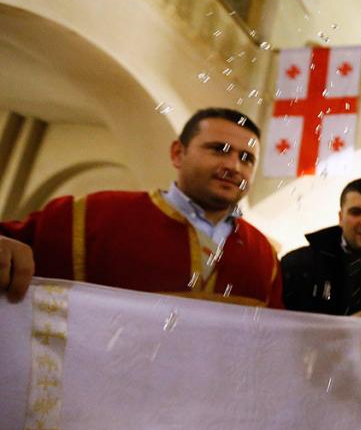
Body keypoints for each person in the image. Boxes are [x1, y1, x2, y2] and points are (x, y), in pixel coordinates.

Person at [0, 107, 283, 308]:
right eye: (218, 150)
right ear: (177, 153)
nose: (233, 166)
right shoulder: (91, 215)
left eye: (246, 158)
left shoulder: (263, 256)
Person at [279, 177, 361, 329]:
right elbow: (285, 329)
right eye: (356, 212)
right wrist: (345, 329)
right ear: (340, 217)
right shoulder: (297, 265)